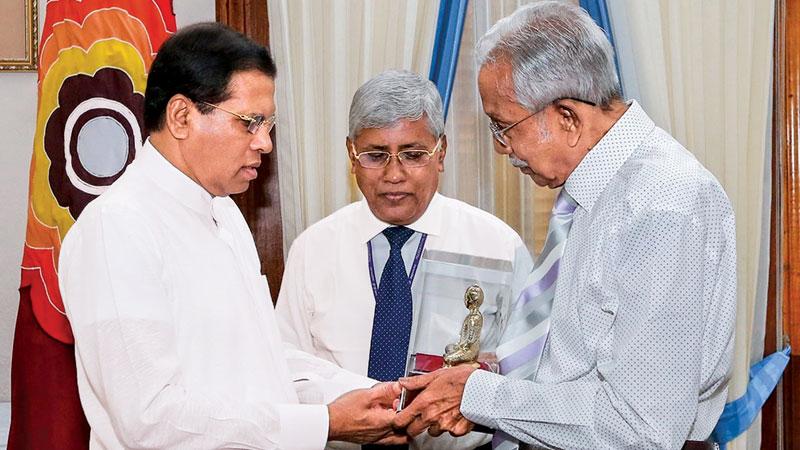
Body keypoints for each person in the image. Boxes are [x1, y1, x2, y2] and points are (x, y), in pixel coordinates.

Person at [394, 2, 737, 449]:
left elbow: (639, 427)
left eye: (504, 127)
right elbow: (581, 357)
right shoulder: (592, 189)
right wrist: (493, 375)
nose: (503, 149)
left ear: (568, 118)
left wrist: (478, 396)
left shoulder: (661, 205)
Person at [58, 22, 406, 449]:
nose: (266, 143)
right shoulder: (116, 230)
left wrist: (375, 394)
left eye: (269, 124)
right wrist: (323, 424)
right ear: (182, 116)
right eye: (250, 122)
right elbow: (151, 419)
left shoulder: (222, 211)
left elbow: (263, 364)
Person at [275, 70, 533, 449]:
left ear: (441, 152)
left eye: (413, 155)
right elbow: (284, 368)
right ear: (351, 154)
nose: (394, 175)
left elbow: (528, 374)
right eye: (375, 155)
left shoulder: (497, 247)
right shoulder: (313, 249)